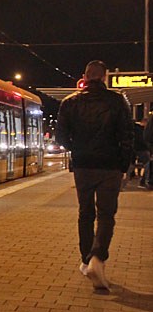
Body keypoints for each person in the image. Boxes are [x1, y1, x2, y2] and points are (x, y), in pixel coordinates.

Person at [56, 60, 134, 290]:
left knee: (85, 213)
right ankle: (98, 258)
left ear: (85, 76)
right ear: (105, 77)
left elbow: (61, 137)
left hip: (83, 166)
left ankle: (86, 259)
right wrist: (123, 166)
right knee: (107, 214)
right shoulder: (118, 101)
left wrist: (78, 149)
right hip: (110, 166)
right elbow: (127, 136)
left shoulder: (70, 103)